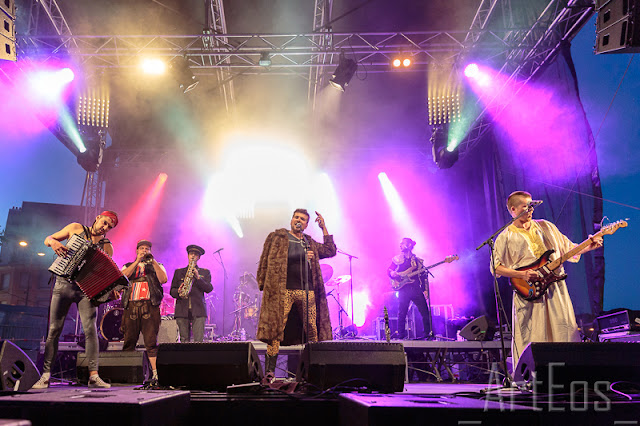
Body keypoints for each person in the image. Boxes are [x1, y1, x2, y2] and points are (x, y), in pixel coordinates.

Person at [492, 191, 602, 367]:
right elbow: (495, 267)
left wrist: (589, 246)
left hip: (554, 287)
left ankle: (567, 370)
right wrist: (522, 274)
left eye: (531, 206)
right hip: (528, 291)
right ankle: (531, 373)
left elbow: (568, 249)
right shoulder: (505, 236)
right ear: (513, 209)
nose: (530, 210)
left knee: (562, 327)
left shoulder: (546, 227)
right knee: (532, 332)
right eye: (525, 207)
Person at [33, 211, 119, 389]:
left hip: (85, 290)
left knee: (90, 330)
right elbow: (48, 239)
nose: (105, 228)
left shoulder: (106, 246)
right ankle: (45, 376)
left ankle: (94, 376)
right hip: (63, 284)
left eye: (109, 227)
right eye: (104, 223)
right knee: (54, 330)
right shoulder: (75, 228)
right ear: (98, 218)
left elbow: (105, 273)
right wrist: (54, 242)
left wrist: (111, 290)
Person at [256, 209, 336, 376]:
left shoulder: (309, 242)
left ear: (306, 225)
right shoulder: (278, 237)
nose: (298, 220)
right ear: (292, 220)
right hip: (283, 291)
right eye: (296, 217)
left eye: (302, 219)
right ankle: (270, 373)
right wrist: (262, 282)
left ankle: (314, 371)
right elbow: (266, 259)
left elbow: (330, 250)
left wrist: (323, 228)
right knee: (276, 330)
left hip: (307, 291)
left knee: (312, 330)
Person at [120, 240, 168, 384]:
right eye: (141, 248)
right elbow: (122, 278)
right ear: (137, 251)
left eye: (147, 248)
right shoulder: (128, 265)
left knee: (151, 342)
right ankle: (127, 374)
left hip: (150, 306)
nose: (144, 250)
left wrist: (153, 262)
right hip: (131, 307)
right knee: (129, 341)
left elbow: (163, 279)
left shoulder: (157, 265)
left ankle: (156, 374)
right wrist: (137, 261)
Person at [387, 238, 432, 340]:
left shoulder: (417, 261)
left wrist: (425, 289)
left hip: (416, 288)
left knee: (425, 312)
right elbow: (388, 270)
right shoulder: (397, 259)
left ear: (409, 245)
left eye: (402, 243)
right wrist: (392, 273)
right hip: (403, 289)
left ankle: (427, 334)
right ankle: (401, 335)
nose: (400, 245)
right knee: (402, 313)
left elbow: (423, 275)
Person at [170, 244, 213, 342]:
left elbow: (209, 288)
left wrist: (198, 278)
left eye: (195, 254)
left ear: (199, 257)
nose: (193, 256)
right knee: (184, 340)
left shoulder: (205, 272)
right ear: (188, 256)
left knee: (198, 341)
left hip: (198, 309)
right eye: (191, 254)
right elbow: (172, 291)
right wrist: (178, 291)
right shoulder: (179, 272)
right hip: (182, 310)